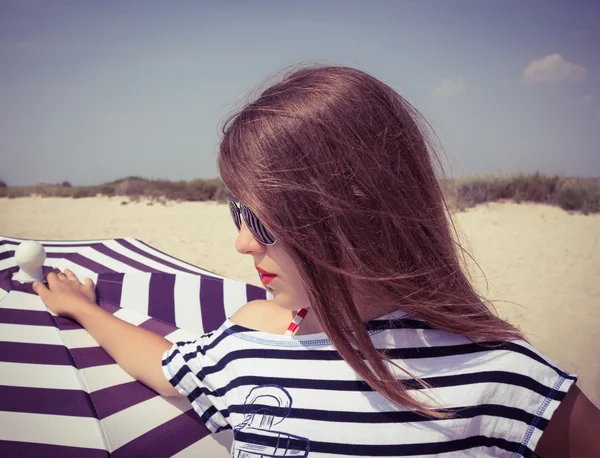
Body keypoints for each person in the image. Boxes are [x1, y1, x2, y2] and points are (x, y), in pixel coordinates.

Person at [33, 65, 600, 457]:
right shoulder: (248, 347)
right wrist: (86, 310)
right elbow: (164, 366)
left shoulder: (498, 377)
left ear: (349, 214)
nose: (243, 244)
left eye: (262, 219)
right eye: (237, 212)